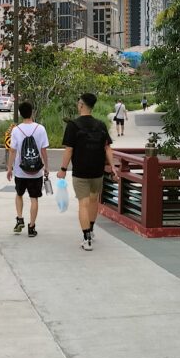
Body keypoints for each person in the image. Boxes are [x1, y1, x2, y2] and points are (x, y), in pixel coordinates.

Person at [57, 92, 115, 251]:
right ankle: (91, 229)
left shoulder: (73, 125)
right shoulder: (101, 124)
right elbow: (108, 148)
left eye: (78, 102)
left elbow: (69, 150)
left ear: (81, 105)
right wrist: (114, 167)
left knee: (83, 204)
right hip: (97, 171)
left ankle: (86, 238)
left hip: (81, 171)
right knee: (94, 201)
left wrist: (62, 169)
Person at [7, 101, 49, 237]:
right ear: (32, 112)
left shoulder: (16, 130)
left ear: (20, 114)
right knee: (34, 198)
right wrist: (46, 167)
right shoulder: (40, 129)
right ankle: (32, 227)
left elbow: (12, 151)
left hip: (20, 170)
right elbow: (43, 150)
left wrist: (9, 168)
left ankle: (19, 219)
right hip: (36, 171)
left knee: (19, 194)